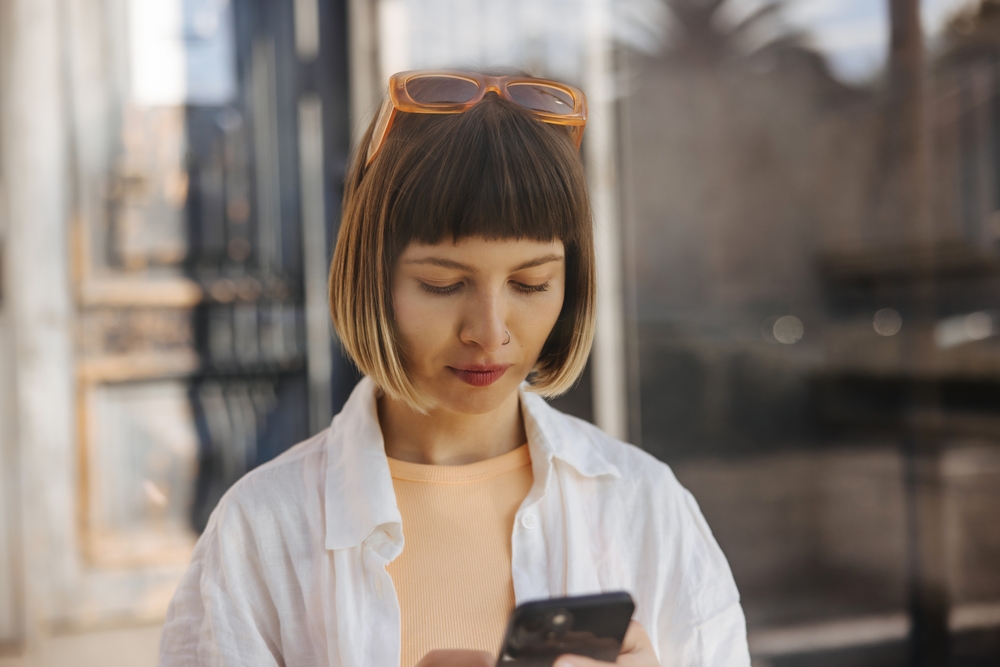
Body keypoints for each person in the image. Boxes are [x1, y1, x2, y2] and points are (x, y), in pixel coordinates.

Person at [159, 71, 750, 667]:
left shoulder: (645, 507)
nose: (489, 332)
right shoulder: (261, 532)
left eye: (531, 283)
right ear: (373, 277)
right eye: (443, 284)